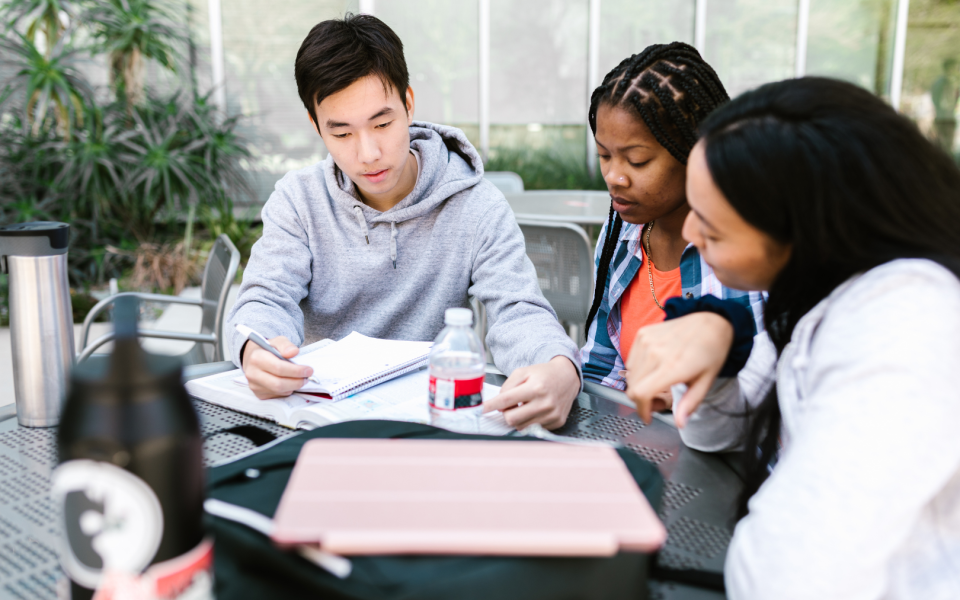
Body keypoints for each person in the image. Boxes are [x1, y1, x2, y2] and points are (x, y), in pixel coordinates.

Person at [626, 77, 960, 599]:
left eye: (712, 229)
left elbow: (790, 575)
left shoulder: (908, 323)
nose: (690, 235)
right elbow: (714, 433)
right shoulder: (818, 295)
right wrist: (721, 343)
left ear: (807, 231)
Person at [227, 14, 581, 430]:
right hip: (322, 421)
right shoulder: (298, 200)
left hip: (430, 420)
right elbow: (264, 300)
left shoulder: (475, 205)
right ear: (315, 126)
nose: (369, 152)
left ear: (409, 103)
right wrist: (257, 349)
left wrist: (560, 369)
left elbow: (519, 311)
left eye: (382, 123)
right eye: (342, 134)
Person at [579, 42, 764, 397]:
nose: (614, 177)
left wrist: (688, 394)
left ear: (695, 151)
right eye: (605, 155)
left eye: (637, 161)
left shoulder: (748, 248)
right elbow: (602, 368)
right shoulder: (621, 230)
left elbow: (768, 384)